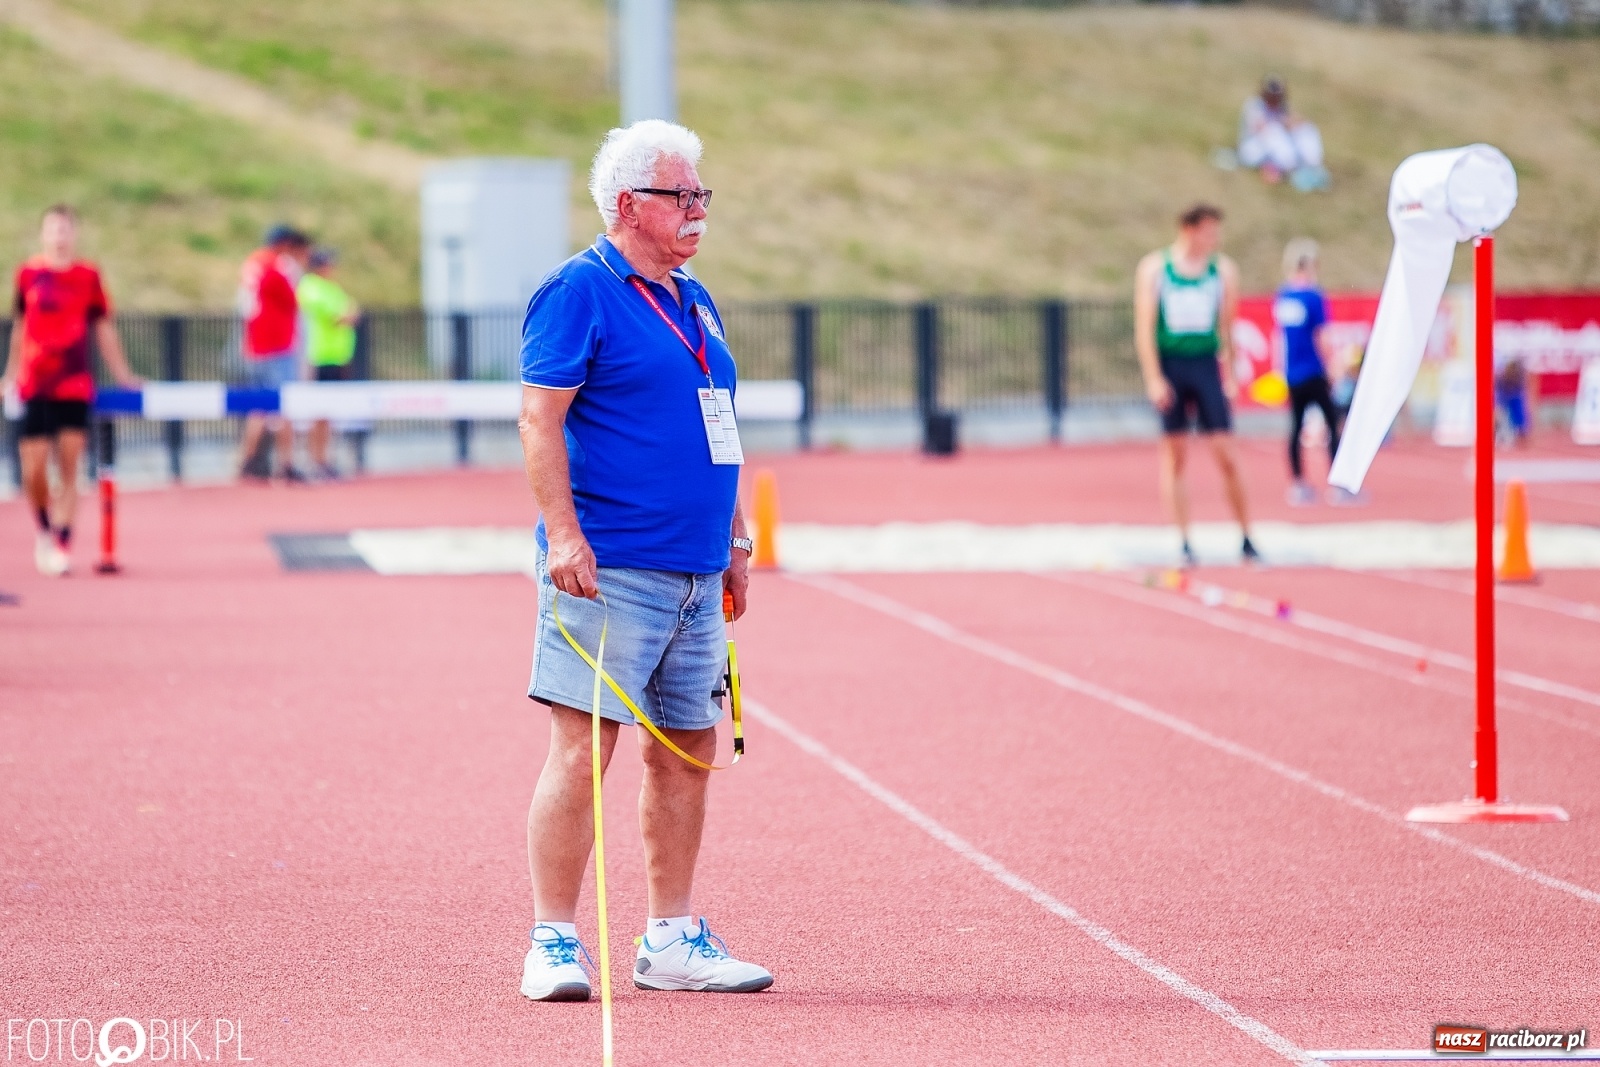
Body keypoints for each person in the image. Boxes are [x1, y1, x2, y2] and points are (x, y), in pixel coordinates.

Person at [517, 119, 771, 1002]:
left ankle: (670, 937)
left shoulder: (693, 297)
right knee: (585, 747)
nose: (700, 209)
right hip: (611, 564)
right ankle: (553, 940)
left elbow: (716, 417)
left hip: (698, 569)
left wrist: (734, 537)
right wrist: (563, 534)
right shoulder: (579, 290)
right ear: (629, 204)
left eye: (703, 194)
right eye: (683, 195)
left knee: (687, 750)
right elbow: (540, 419)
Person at [1, 205, 139, 576]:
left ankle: (63, 540)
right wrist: (10, 374)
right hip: (35, 381)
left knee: (68, 466)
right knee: (33, 469)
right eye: (53, 230)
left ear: (73, 234)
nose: (60, 237)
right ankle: (44, 528)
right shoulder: (29, 274)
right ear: (44, 234)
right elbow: (20, 326)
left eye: (65, 230)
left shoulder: (88, 276)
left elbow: (103, 327)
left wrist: (123, 373)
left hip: (74, 382)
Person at [1135, 203, 1258, 567]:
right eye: (1209, 231)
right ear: (1189, 230)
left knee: (1226, 453)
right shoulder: (1156, 269)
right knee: (1175, 456)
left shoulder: (1222, 271)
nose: (1214, 239)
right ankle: (1184, 539)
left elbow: (1228, 326)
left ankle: (1246, 534)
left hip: (1206, 365)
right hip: (1173, 365)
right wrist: (1154, 378)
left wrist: (1232, 374)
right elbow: (1144, 328)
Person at [1273, 238, 1349, 505]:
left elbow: (1281, 337)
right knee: (1332, 424)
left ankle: (1298, 483)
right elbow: (1321, 335)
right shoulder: (1313, 296)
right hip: (1314, 370)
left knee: (1295, 427)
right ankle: (1339, 485)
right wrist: (1332, 366)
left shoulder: (1283, 296)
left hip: (1293, 372)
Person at [237, 224, 310, 482]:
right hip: (276, 343)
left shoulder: (253, 263)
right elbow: (293, 301)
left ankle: (247, 460)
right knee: (284, 403)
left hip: (255, 343)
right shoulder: (278, 266)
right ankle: (286, 463)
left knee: (259, 404)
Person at [296, 247, 360, 479]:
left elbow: (351, 312)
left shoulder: (331, 287)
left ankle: (325, 459)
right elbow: (339, 315)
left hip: (337, 356)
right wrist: (347, 315)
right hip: (319, 357)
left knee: (329, 412)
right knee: (318, 412)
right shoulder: (311, 287)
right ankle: (316, 460)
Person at [1238, 75, 1329, 192]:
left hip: (1271, 148)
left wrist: (1295, 123)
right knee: (1274, 133)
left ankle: (1310, 166)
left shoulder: (1282, 107)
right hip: (1252, 150)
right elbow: (1260, 128)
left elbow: (1293, 121)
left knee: (1306, 129)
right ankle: (1288, 169)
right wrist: (1281, 122)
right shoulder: (1255, 105)